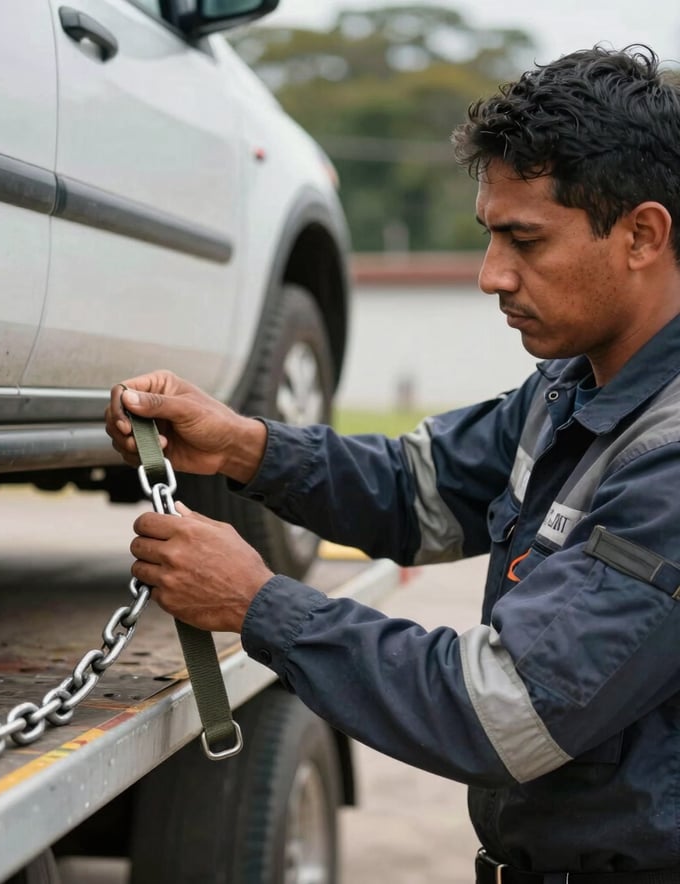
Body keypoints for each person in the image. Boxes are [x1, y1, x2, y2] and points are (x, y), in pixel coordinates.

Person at [106, 45, 680, 881]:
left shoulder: (668, 461)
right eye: (489, 237)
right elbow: (418, 492)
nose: (492, 276)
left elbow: (502, 711)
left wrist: (258, 603)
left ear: (643, 234)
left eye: (525, 239)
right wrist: (243, 445)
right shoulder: (570, 389)